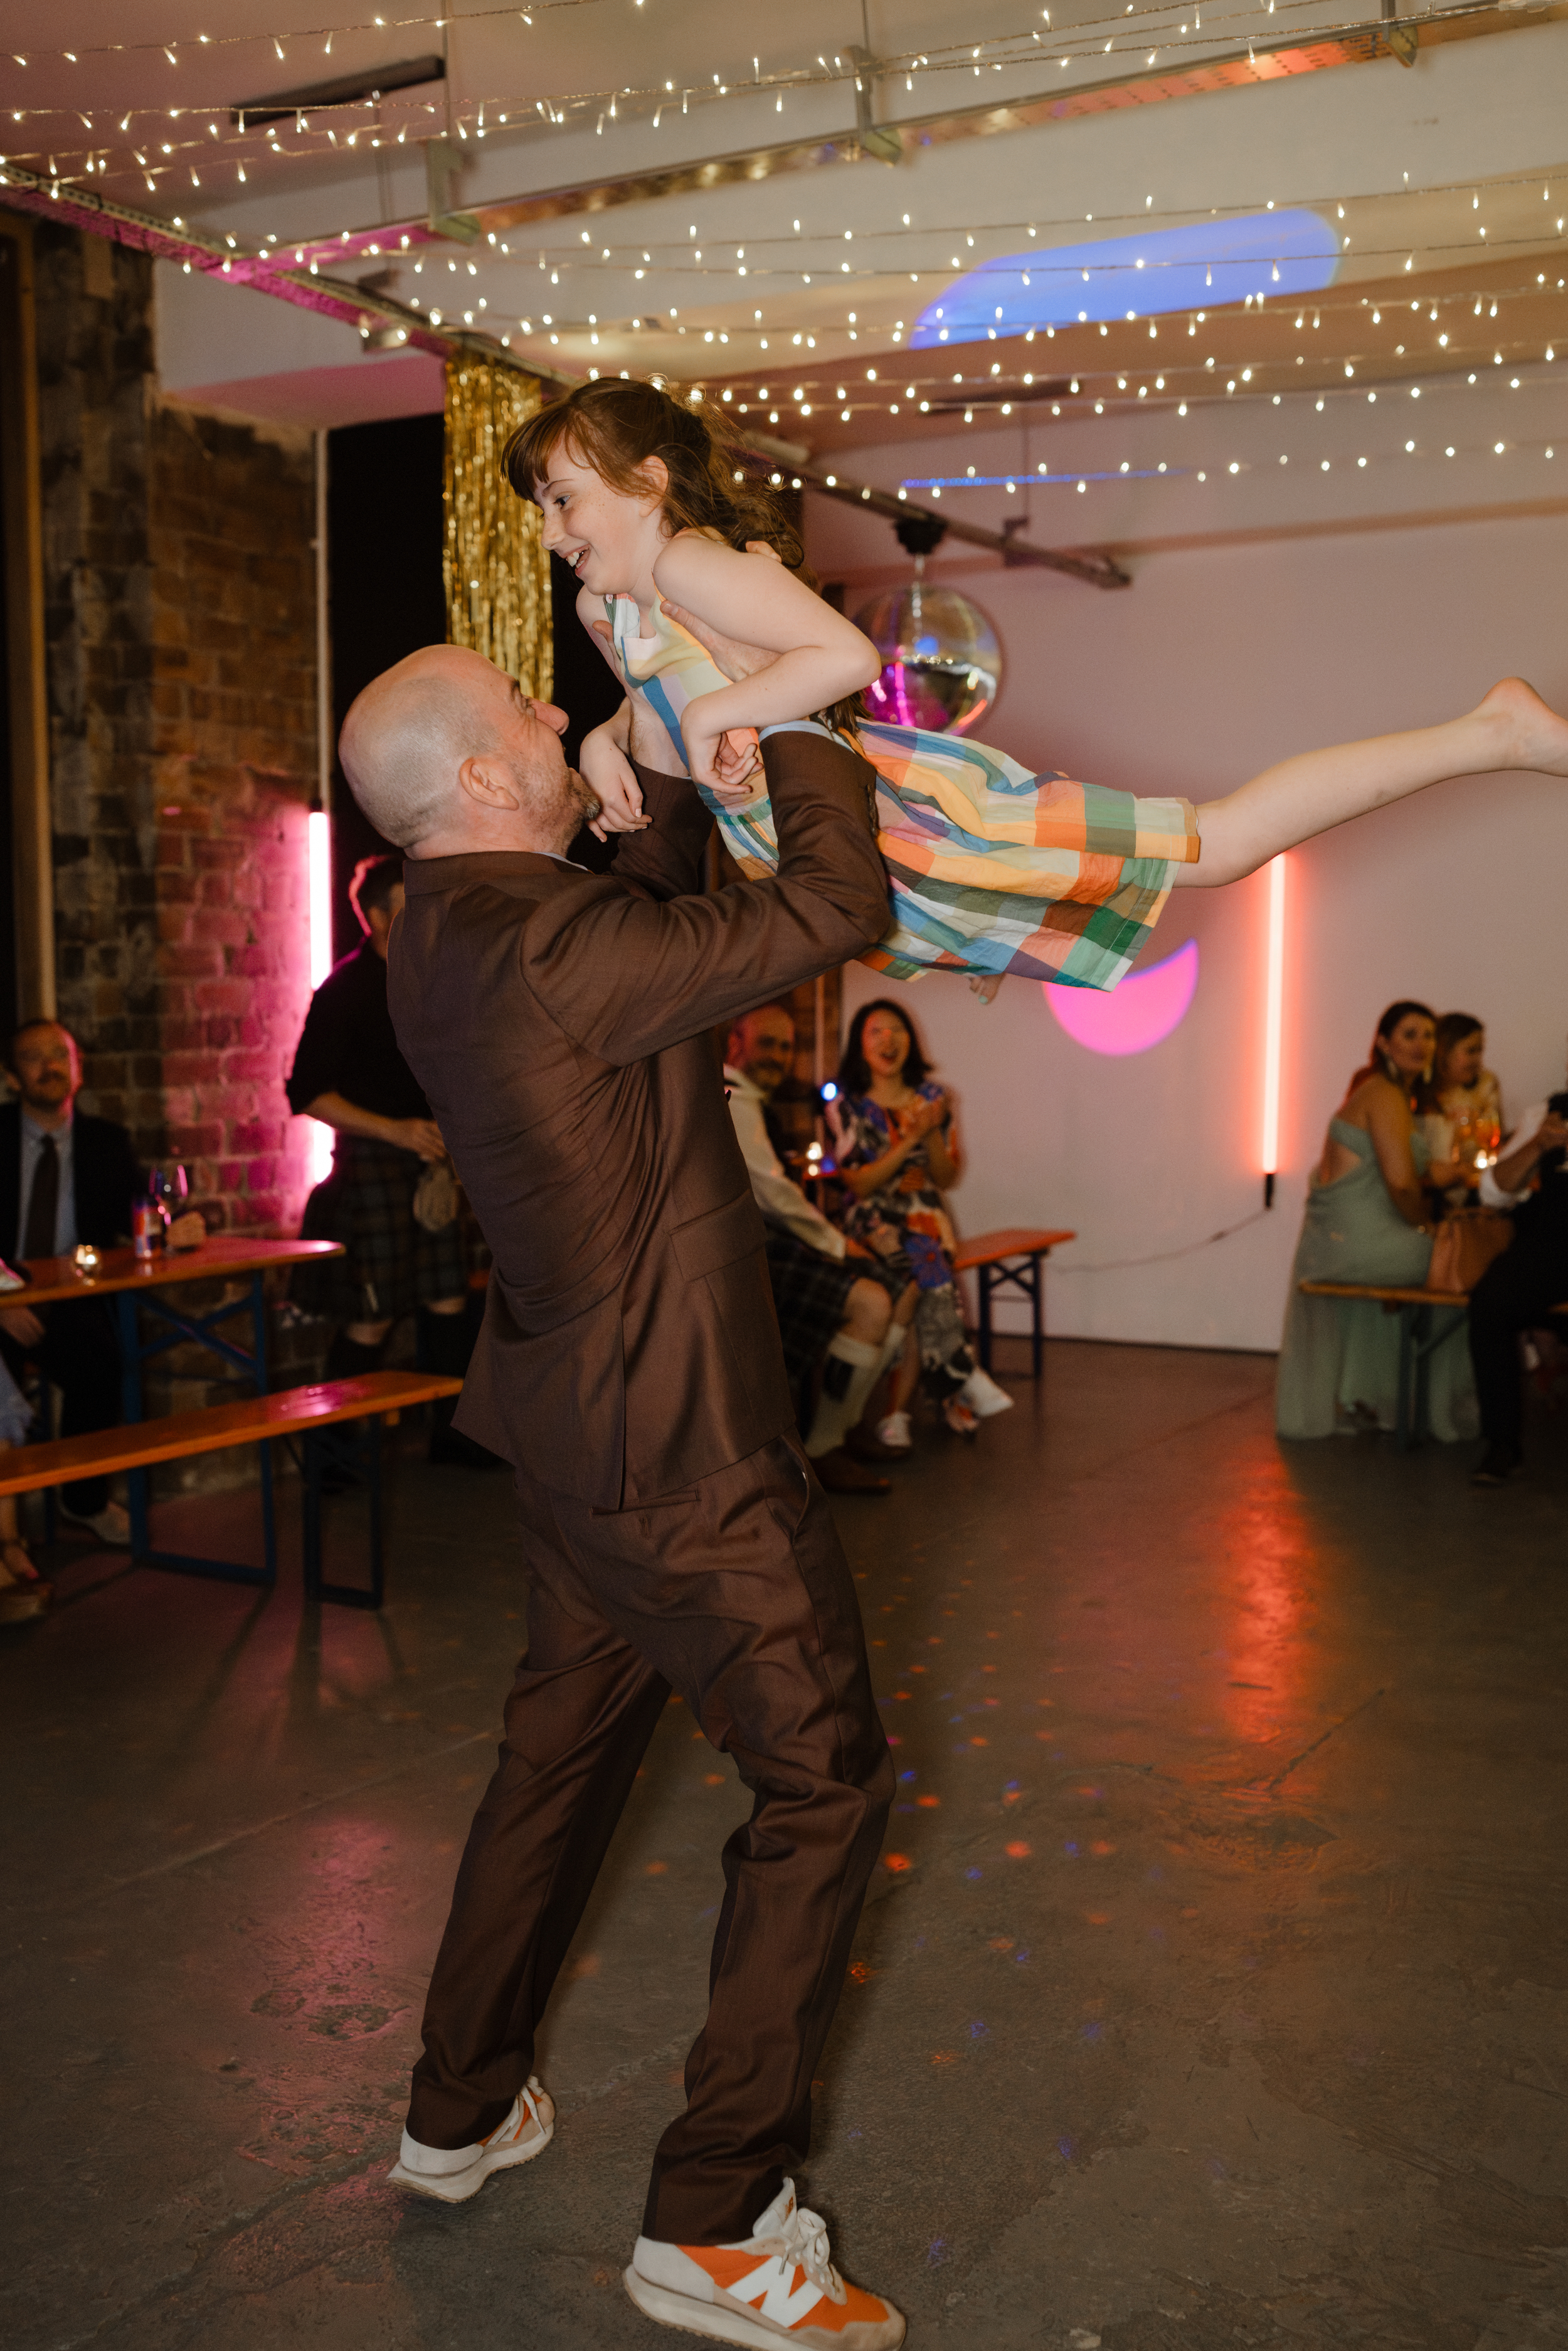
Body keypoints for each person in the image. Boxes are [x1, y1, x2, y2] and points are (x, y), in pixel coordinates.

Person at [339, 634, 906, 2348]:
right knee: (824, 1780)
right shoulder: (552, 938)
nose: (547, 708)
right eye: (523, 708)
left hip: (570, 1433)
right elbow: (837, 910)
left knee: (555, 1766)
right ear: (484, 778)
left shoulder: (442, 925)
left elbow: (645, 933)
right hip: (680, 1454)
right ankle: (713, 2222)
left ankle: (457, 2105)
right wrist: (798, 718)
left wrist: (655, 774)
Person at [504, 375, 1568, 1001]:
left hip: (891, 808)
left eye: (562, 499)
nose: (552, 532)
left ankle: (1493, 733)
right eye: (542, 508)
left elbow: (846, 658)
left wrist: (725, 711)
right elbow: (661, 698)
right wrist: (606, 737)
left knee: (1220, 842)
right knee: (1220, 848)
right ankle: (1492, 735)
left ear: (648, 483)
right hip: (825, 843)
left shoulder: (692, 564)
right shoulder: (613, 608)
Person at [285, 854, 480, 1462]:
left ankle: (456, 1441)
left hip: (433, 1160)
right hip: (374, 1162)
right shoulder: (343, 992)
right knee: (372, 1315)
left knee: (449, 1300)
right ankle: (330, 1454)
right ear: (374, 917)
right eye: (409, 907)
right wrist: (397, 1132)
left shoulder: (437, 979)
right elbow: (307, 1094)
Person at [0, 1019, 197, 1544]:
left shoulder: (105, 1142)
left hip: (68, 1298)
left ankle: (82, 1501)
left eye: (59, 1055)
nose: (49, 1066)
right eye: (32, 1057)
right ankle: (8, 1533)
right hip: (2, 1297)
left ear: (78, 1070)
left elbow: (144, 1211)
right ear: (12, 1077)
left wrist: (178, 1227)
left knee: (102, 1365)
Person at [723, 1000, 914, 1494]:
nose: (779, 1056)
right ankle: (825, 1448)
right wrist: (840, 1245)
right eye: (767, 1043)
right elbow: (773, 1195)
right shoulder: (732, 1096)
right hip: (744, 1257)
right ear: (734, 1043)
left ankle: (843, 1429)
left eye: (786, 1047)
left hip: (771, 1243)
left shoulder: (750, 1097)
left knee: (904, 1289)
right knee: (874, 1302)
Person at [1276, 1002, 1477, 1441]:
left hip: (1341, 1240)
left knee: (1448, 1258)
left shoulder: (1386, 1094)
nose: (1421, 1045)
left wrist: (1449, 1175)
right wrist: (1426, 1228)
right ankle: (1441, 1411)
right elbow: (1402, 1186)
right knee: (1462, 1265)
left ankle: (1385, 1400)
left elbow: (1403, 1170)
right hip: (1359, 1242)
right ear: (1384, 1043)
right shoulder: (1383, 1094)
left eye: (1428, 1035)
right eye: (1409, 1034)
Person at [827, 999, 1010, 1443]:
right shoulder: (846, 1105)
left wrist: (929, 1134)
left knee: (916, 1291)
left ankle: (895, 1415)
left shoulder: (934, 1099)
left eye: (898, 1029)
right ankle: (959, 1376)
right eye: (876, 1031)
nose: (888, 1039)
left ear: (911, 1040)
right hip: (873, 1219)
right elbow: (860, 1183)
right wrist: (909, 1139)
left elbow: (946, 1177)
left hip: (924, 1213)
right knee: (924, 1272)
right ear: (860, 1044)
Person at [1465, 1056, 1568, 1485]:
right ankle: (1502, 1443)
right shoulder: (1545, 1116)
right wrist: (1539, 1145)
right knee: (1489, 1301)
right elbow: (1493, 1193)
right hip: (1550, 1250)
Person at [1425, 1011, 1504, 1192]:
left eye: (1480, 1050)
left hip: (1474, 1184)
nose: (1478, 1059)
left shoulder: (1485, 1084)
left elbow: (1493, 1140)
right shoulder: (1423, 1090)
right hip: (1429, 1185)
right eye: (1471, 1051)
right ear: (1444, 1050)